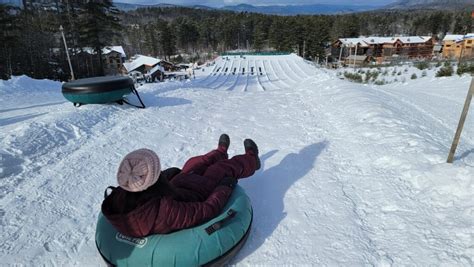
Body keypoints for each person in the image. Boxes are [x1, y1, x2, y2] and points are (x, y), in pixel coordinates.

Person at [101, 134, 260, 238]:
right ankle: (252, 159)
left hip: (177, 186)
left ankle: (220, 152)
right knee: (220, 169)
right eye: (158, 173)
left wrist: (167, 176)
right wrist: (224, 187)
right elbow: (206, 210)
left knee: (194, 162)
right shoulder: (166, 212)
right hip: (199, 191)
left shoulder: (123, 195)